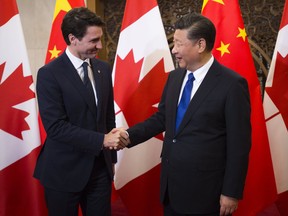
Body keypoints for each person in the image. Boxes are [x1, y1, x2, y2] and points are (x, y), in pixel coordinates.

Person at [119, 13, 251, 216]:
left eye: (179, 44)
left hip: (207, 192)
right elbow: (163, 118)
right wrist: (128, 136)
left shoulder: (232, 84)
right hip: (171, 187)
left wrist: (231, 192)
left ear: (200, 45)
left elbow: (239, 144)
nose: (174, 50)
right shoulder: (175, 77)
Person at [34, 7, 125, 216]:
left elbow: (107, 117)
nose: (100, 46)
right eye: (93, 41)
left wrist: (110, 161)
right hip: (63, 172)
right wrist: (102, 140)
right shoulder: (49, 74)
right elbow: (56, 127)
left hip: (99, 172)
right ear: (72, 38)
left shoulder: (103, 69)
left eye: (100, 39)